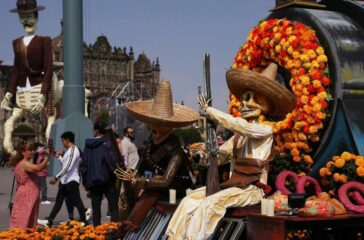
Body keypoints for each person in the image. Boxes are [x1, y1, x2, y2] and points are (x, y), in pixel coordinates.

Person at [165, 63, 296, 239]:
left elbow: (239, 125)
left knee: (211, 203)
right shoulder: (236, 138)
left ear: (267, 105)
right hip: (233, 187)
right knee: (189, 200)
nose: (245, 103)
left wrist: (210, 111)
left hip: (252, 190)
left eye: (253, 98)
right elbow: (217, 157)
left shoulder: (265, 131)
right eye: (244, 98)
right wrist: (203, 153)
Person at [114, 80, 199, 237]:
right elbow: (141, 167)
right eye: (154, 125)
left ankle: (132, 225)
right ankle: (122, 228)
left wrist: (141, 182)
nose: (156, 130)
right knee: (126, 193)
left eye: (162, 125)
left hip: (177, 187)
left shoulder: (175, 150)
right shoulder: (149, 144)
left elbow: (166, 180)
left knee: (150, 193)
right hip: (154, 184)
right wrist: (132, 178)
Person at [1, 0, 53, 153]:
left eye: (29, 16)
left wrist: (44, 94)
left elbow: (48, 68)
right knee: (11, 119)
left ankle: (49, 144)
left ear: (36, 17)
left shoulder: (44, 41)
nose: (26, 21)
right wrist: (9, 93)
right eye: (22, 17)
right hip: (22, 88)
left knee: (49, 114)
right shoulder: (16, 43)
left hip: (38, 85)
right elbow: (16, 70)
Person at [38, 131, 87, 227]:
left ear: (67, 140)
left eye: (62, 141)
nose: (62, 143)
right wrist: (59, 157)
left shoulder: (74, 150)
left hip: (72, 180)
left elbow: (68, 167)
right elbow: (65, 163)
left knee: (77, 200)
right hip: (65, 180)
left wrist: (56, 177)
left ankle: (84, 220)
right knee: (59, 201)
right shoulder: (69, 151)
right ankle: (50, 220)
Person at [79, 121, 119, 226]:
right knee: (114, 206)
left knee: (96, 208)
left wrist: (85, 181)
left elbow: (84, 164)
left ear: (96, 131)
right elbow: (111, 161)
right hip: (107, 180)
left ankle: (97, 232)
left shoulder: (88, 145)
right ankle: (114, 230)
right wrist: (114, 174)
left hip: (93, 182)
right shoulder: (107, 143)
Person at [9, 141, 50, 229]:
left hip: (24, 193)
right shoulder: (24, 163)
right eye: (30, 150)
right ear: (23, 152)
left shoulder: (20, 162)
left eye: (33, 149)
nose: (32, 152)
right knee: (26, 218)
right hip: (28, 194)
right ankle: (20, 236)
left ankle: (17, 235)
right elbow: (38, 168)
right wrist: (47, 158)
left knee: (22, 217)